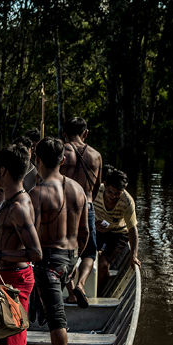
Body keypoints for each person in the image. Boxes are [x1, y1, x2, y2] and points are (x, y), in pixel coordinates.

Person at [29, 137, 90, 345]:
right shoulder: (79, 189)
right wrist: (74, 262)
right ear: (63, 160)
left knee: (57, 319)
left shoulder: (37, 193)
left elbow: (31, 238)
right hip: (70, 258)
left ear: (37, 160)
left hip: (48, 262)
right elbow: (85, 233)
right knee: (55, 314)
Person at [0, 146, 42, 345]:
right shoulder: (8, 200)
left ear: (3, 171)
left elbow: (36, 252)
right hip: (5, 277)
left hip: (15, 280)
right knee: (15, 338)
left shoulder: (19, 206)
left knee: (9, 340)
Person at [62, 118, 102, 306]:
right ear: (85, 133)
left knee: (62, 248)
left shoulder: (61, 152)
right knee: (89, 252)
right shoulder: (96, 155)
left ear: (64, 134)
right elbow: (96, 188)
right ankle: (81, 284)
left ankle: (70, 292)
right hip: (87, 205)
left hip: (64, 207)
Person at [92, 166, 141, 284]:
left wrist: (134, 255)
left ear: (124, 188)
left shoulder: (128, 202)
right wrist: (93, 225)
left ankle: (99, 292)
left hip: (118, 233)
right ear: (105, 185)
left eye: (117, 193)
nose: (112, 196)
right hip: (97, 228)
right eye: (110, 192)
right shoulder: (95, 192)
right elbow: (81, 213)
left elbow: (132, 230)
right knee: (86, 258)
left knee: (103, 263)